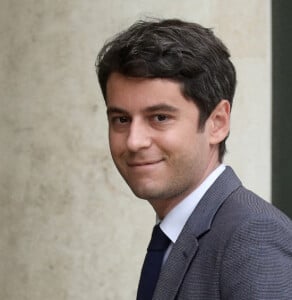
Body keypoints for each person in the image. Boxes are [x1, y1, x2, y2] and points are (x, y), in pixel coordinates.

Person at [95, 18, 292, 300]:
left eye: (160, 118)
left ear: (217, 123)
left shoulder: (253, 237)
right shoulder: (177, 236)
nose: (134, 141)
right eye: (121, 119)